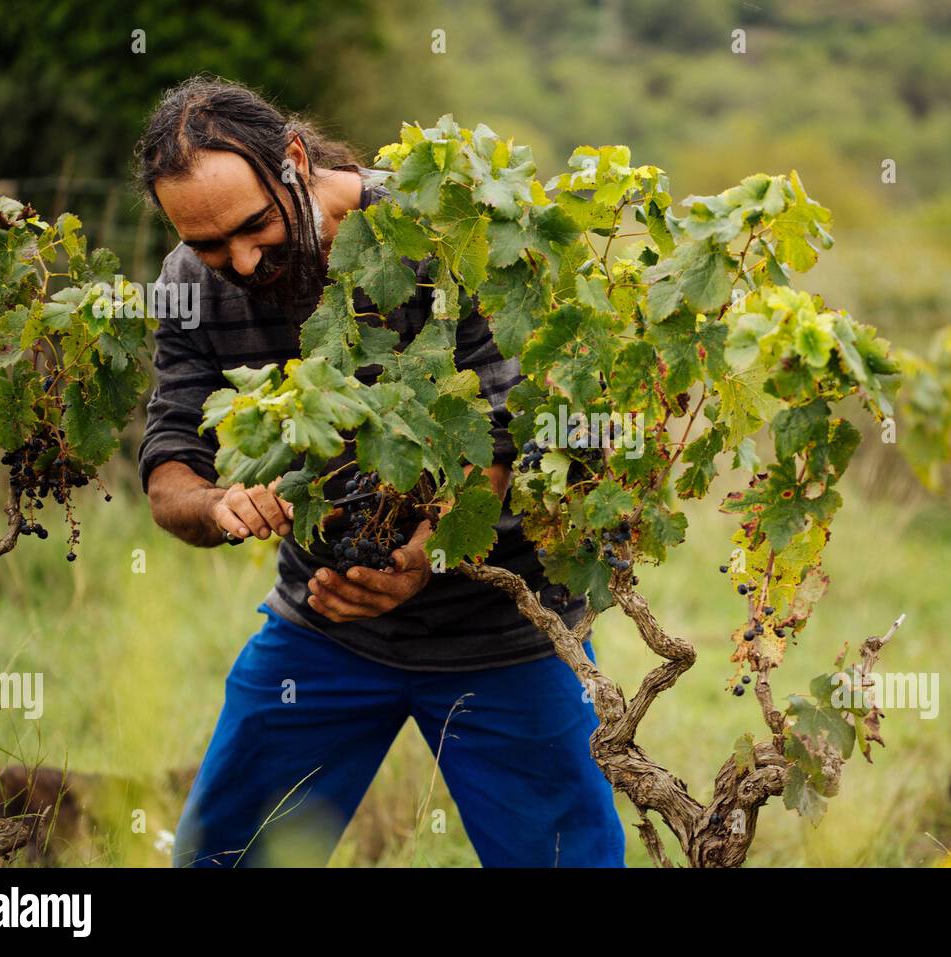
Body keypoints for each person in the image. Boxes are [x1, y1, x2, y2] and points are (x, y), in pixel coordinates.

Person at [133, 76, 625, 867]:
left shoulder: (439, 231)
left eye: (255, 226)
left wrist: (423, 557)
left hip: (503, 630)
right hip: (325, 624)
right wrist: (219, 504)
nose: (243, 259)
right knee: (223, 858)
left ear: (292, 160)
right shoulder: (190, 287)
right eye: (210, 245)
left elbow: (497, 438)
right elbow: (169, 464)